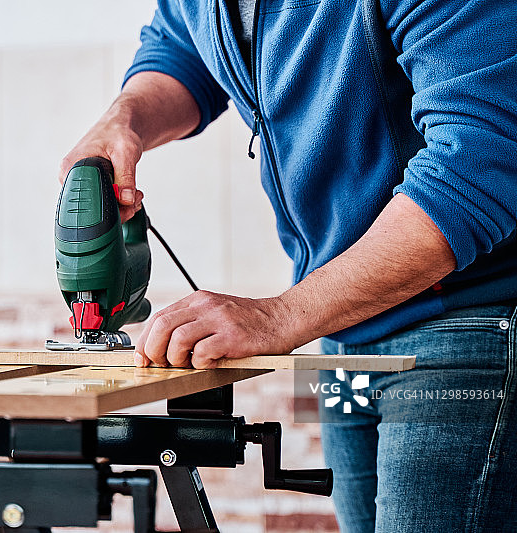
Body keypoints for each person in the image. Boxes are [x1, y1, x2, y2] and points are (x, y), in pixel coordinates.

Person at [58, 1, 516, 531]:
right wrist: (126, 119)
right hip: (341, 334)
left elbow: (481, 162)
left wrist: (279, 319)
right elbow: (183, 45)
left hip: (464, 329)